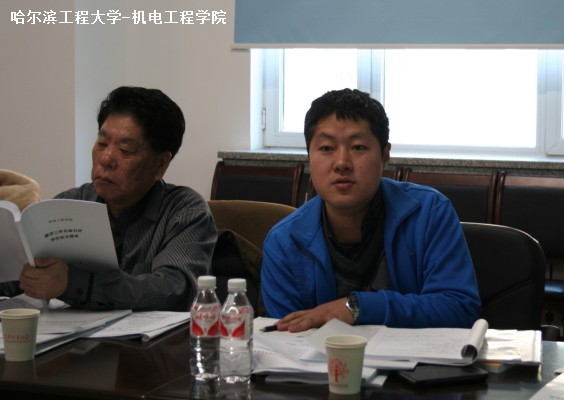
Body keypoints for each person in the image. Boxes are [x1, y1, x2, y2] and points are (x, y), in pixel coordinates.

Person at [261, 88, 481, 332]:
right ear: (308, 156)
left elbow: (459, 308)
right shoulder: (284, 241)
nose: (342, 163)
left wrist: (356, 307)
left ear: (385, 155)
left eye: (358, 147)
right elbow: (285, 338)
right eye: (326, 148)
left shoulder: (429, 213)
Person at [15, 86, 218, 311]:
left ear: (160, 164)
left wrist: (73, 283)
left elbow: (175, 290)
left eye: (126, 150)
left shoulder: (185, 212)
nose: (106, 158)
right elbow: (19, 277)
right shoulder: (69, 205)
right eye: (101, 144)